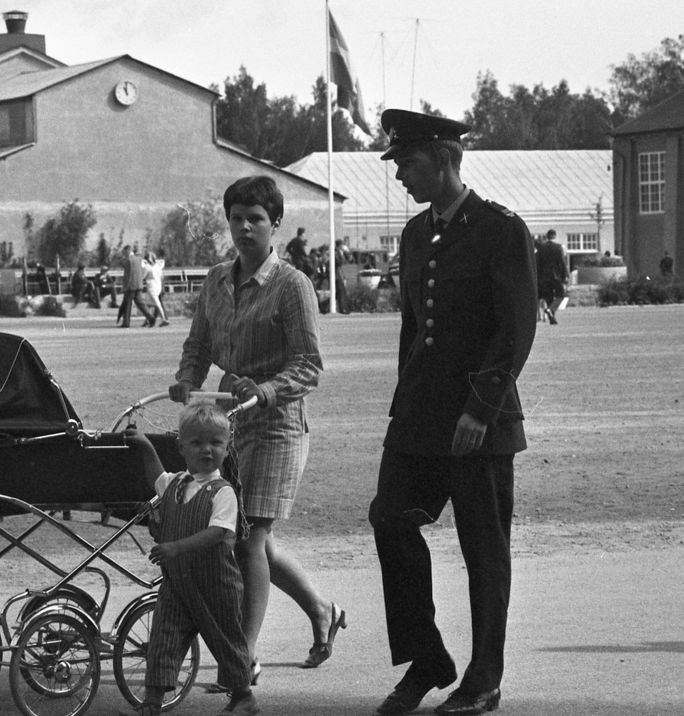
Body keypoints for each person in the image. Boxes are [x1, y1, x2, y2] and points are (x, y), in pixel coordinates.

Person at [369, 109, 537, 716]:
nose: (400, 176)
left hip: (479, 421)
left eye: (408, 163)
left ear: (444, 160)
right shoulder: (416, 235)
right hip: (421, 415)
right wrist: (405, 406)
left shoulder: (500, 230)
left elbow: (515, 330)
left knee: (483, 549)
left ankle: (483, 679)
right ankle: (428, 658)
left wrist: (481, 410)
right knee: (390, 518)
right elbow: (414, 330)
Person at [172, 175, 344, 683]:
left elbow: (309, 365)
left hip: (277, 425)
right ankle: (321, 610)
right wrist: (187, 380)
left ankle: (241, 657)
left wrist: (266, 390)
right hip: (228, 424)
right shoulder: (215, 280)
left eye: (256, 219)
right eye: (236, 219)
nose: (245, 228)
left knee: (248, 538)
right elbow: (198, 344)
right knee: (251, 537)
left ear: (276, 224)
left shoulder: (292, 285)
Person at [122, 403, 258, 716]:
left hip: (216, 584)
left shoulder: (222, 492)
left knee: (225, 640)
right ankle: (152, 704)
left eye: (215, 443)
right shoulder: (177, 483)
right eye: (197, 442)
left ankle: (244, 696)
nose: (206, 450)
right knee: (163, 639)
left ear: (228, 447)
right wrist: (144, 446)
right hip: (177, 583)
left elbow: (217, 533)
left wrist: (176, 548)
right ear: (181, 447)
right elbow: (157, 477)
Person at [118, 244, 156, 328]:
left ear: (127, 250)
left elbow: (128, 275)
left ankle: (126, 322)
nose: (124, 254)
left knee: (127, 304)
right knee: (140, 303)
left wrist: (125, 287)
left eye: (124, 252)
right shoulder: (139, 259)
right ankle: (150, 317)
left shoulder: (129, 260)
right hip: (139, 285)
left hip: (131, 286)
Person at [536, 229, 569, 325]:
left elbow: (538, 264)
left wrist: (539, 277)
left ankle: (552, 319)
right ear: (555, 236)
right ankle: (551, 310)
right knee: (561, 294)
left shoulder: (542, 248)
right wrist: (565, 275)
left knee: (549, 297)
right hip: (556, 275)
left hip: (544, 277)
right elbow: (562, 262)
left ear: (547, 237)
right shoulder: (558, 247)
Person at [144, 250, 170, 326]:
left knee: (157, 303)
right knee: (149, 304)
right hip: (157, 286)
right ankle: (148, 320)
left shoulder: (148, 267)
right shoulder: (158, 267)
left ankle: (163, 319)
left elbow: (143, 276)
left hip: (152, 287)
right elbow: (161, 277)